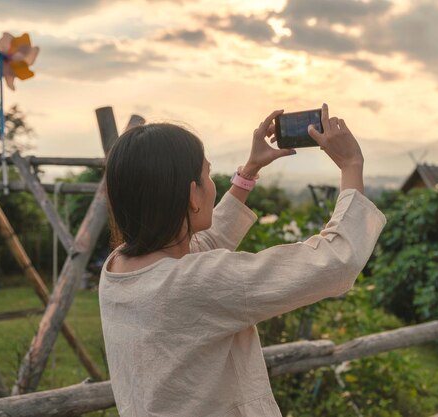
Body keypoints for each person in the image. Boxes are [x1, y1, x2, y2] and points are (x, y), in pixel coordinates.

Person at [99, 103, 386, 417]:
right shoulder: (195, 283)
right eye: (207, 175)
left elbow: (202, 245)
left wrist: (249, 172)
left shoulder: (118, 268)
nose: (213, 184)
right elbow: (336, 261)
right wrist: (351, 165)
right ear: (193, 195)